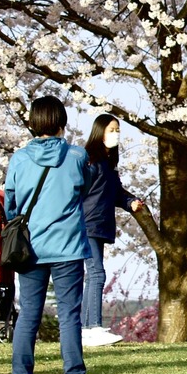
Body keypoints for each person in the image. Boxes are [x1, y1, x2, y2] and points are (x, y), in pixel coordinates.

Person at [6, 95, 105, 374]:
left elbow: (11, 204)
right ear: (62, 121)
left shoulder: (19, 159)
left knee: (29, 313)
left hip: (30, 246)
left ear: (33, 123)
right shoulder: (76, 157)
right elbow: (84, 188)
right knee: (69, 313)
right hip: (68, 245)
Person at [81, 114, 144, 347]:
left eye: (118, 130)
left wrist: (131, 202)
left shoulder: (108, 165)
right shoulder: (90, 162)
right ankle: (92, 327)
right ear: (100, 132)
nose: (115, 134)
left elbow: (116, 193)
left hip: (97, 224)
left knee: (93, 275)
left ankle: (87, 328)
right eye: (111, 129)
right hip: (87, 224)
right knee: (97, 274)